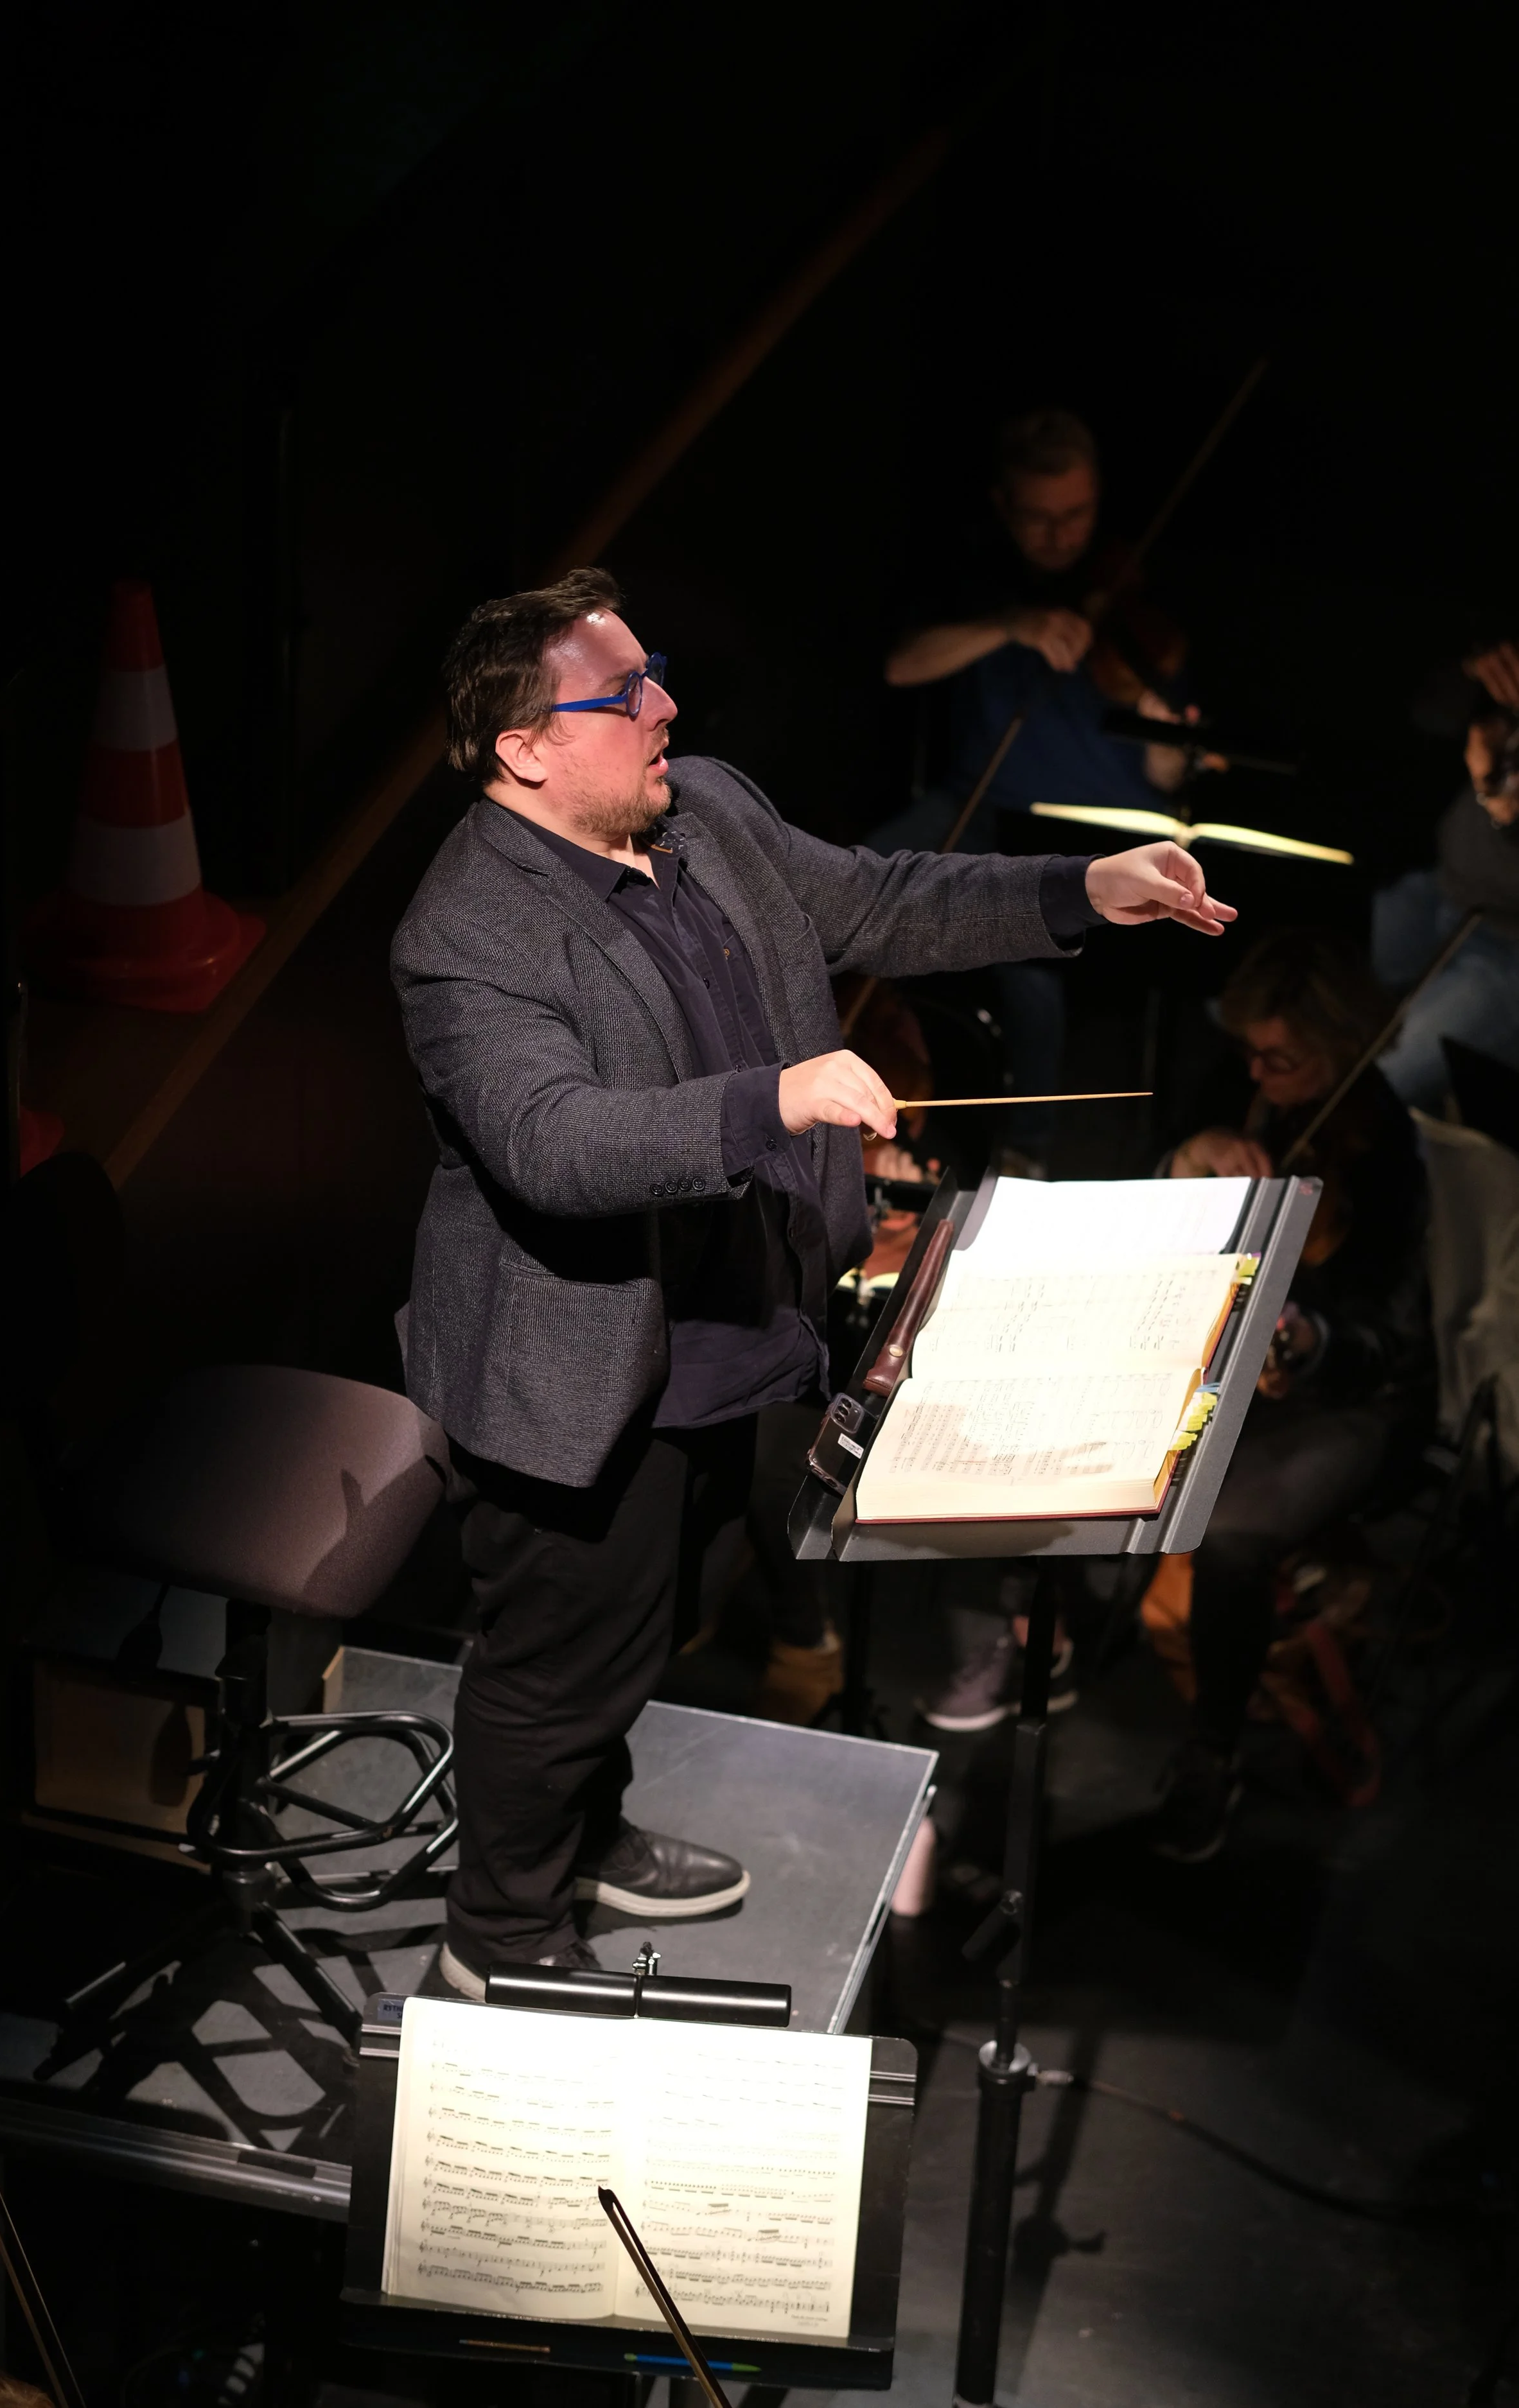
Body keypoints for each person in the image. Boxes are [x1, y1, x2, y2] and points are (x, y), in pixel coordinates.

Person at [391, 566, 1237, 1993]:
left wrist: (1082, 890)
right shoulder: (465, 931)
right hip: (582, 1366)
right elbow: (553, 1144)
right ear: (522, 749)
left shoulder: (703, 805)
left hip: (737, 1337)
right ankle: (501, 1949)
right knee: (553, 1672)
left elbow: (882, 902)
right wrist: (767, 1101)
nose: (663, 705)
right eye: (622, 695)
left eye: (653, 671)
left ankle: (580, 1837)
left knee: (655, 1629)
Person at [1151, 929, 1432, 1862]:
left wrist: (1308, 1343)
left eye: (1285, 1058)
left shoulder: (1384, 1147)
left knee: (1229, 1530)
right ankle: (1048, 1630)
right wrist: (1187, 1161)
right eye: (1251, 1054)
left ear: (1344, 1051)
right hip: (1221, 1362)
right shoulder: (1241, 1096)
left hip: (1352, 1401)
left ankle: (1213, 1749)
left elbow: (1381, 1338)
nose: (1260, 1075)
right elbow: (1154, 1217)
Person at [871, 408, 1206, 1174]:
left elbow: (1168, 781)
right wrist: (1011, 625)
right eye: (1038, 517)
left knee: (1031, 958)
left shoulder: (1134, 601)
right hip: (975, 807)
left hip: (1096, 827)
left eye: (1077, 515)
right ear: (1003, 506)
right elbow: (902, 665)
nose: (1059, 536)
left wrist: (1167, 740)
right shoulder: (977, 586)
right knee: (832, 884)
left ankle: (1028, 1153)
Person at [1372, 639, 1519, 1110]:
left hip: (1506, 942)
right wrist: (1474, 672)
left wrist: (1498, 799)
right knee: (1303, 992)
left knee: (1381, 1084)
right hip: (1440, 884)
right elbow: (1424, 712)